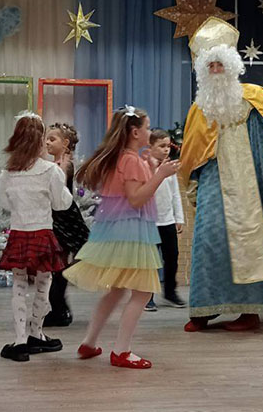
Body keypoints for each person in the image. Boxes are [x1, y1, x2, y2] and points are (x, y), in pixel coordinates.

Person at [179, 17, 263, 332]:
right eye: (210, 65)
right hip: (214, 181)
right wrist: (192, 183)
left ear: (231, 66)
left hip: (251, 181)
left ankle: (250, 311)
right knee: (210, 240)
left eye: (220, 64)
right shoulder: (199, 108)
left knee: (252, 242)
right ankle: (204, 308)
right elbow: (192, 151)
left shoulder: (254, 96)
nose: (215, 70)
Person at [64, 106, 180, 369]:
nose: (150, 132)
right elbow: (136, 199)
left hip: (118, 231)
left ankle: (89, 343)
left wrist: (152, 168)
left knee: (117, 291)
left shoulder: (124, 158)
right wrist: (160, 175)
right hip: (132, 233)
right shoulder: (130, 160)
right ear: (135, 132)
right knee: (142, 292)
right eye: (147, 127)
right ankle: (122, 350)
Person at [0, 111, 73, 362]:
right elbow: (62, 204)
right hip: (42, 234)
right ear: (40, 140)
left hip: (20, 233)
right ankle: (36, 334)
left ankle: (20, 341)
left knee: (19, 286)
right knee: (43, 284)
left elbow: (3, 203)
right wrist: (63, 176)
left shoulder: (7, 172)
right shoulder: (50, 170)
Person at [44, 122, 90, 327]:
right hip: (57, 217)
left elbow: (58, 189)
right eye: (46, 139)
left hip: (64, 219)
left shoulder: (64, 164)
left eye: (51, 139)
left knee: (60, 266)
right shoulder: (55, 164)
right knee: (58, 267)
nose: (47, 142)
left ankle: (60, 310)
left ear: (65, 143)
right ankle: (59, 309)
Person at [143, 128, 186, 311]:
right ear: (151, 146)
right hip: (150, 222)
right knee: (150, 262)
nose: (166, 149)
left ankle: (170, 292)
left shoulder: (170, 168)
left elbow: (175, 194)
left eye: (168, 146)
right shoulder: (144, 166)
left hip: (167, 221)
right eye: (161, 146)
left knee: (172, 257)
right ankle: (147, 296)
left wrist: (179, 217)